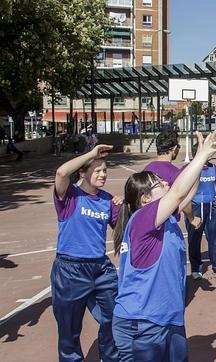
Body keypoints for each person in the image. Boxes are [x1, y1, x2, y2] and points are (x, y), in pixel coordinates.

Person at [111, 132, 216, 361]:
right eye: (157, 184)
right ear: (145, 199)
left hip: (168, 316)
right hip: (143, 320)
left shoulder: (167, 217)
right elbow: (178, 191)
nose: (164, 182)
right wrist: (201, 155)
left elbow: (188, 192)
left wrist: (198, 165)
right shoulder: (142, 219)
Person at [51, 144, 121, 362]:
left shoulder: (108, 200)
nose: (103, 175)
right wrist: (91, 154)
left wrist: (126, 205)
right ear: (82, 172)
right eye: (97, 170)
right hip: (70, 269)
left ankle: (111, 357)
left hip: (101, 268)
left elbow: (126, 229)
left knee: (115, 317)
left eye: (105, 170)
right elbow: (62, 173)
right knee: (69, 330)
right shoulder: (70, 195)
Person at [185, 142, 216, 279]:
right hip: (195, 208)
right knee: (194, 239)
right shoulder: (188, 168)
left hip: (211, 207)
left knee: (215, 237)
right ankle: (196, 268)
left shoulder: (213, 168)